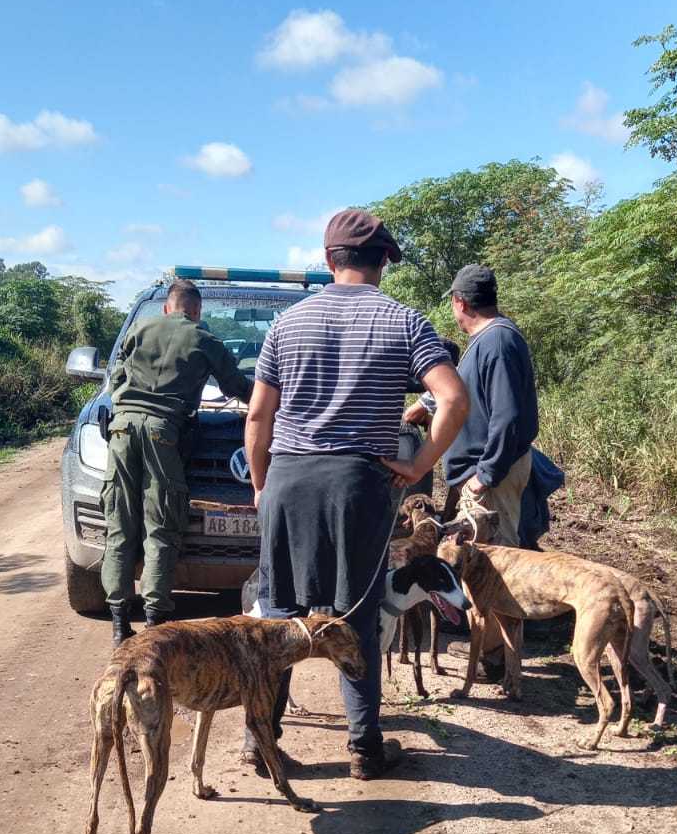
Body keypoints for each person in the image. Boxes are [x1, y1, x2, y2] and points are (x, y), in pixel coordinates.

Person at [243, 208, 469, 780]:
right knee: (357, 613)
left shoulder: (287, 324)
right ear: (383, 263)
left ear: (327, 260)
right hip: (357, 484)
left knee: (278, 613)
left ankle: (260, 742)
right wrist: (419, 461)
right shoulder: (405, 322)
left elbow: (258, 418)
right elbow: (454, 399)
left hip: (289, 478)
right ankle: (365, 749)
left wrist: (263, 486)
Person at [101, 277, 254, 644]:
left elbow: (116, 380)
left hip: (120, 430)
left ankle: (120, 625)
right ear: (196, 311)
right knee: (161, 526)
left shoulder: (139, 327)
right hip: (163, 434)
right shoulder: (204, 340)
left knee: (120, 526)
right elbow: (237, 387)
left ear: (167, 307)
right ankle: (154, 624)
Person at [439, 263, 539, 547]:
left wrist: (486, 475)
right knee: (478, 559)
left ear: (460, 302)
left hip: (490, 477)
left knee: (497, 556)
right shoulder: (490, 338)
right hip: (484, 471)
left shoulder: (497, 342)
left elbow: (506, 416)